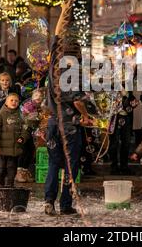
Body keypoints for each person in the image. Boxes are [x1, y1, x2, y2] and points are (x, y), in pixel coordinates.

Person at [44, 34, 91, 216]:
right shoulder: (73, 74)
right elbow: (78, 102)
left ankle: (49, 201)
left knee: (53, 165)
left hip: (53, 124)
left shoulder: (53, 70)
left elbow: (54, 47)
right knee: (70, 167)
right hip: (69, 127)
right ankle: (65, 205)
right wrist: (86, 116)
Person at [0, 93, 29, 188]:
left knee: (12, 167)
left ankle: (10, 185)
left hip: (14, 147)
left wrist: (22, 137)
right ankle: (0, 184)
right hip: (2, 148)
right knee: (2, 167)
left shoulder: (20, 115)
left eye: (16, 101)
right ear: (6, 103)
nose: (14, 102)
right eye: (11, 100)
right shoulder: (1, 114)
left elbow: (25, 128)